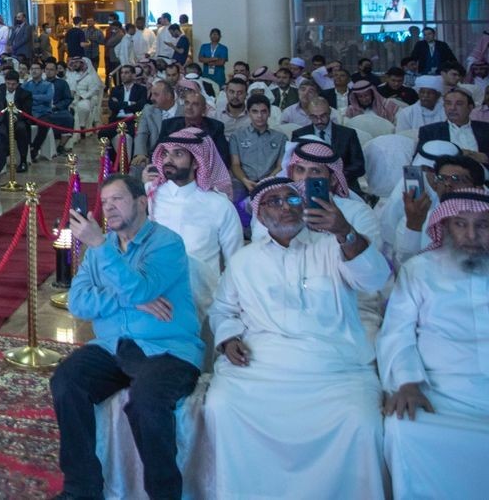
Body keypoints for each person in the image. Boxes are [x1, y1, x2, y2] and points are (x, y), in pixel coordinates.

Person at [204, 176, 391, 500]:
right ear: (260, 215)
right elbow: (222, 310)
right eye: (274, 202)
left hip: (334, 368)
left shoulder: (333, 246)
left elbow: (375, 278)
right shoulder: (244, 260)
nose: (285, 207)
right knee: (222, 405)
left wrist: (345, 231)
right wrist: (228, 339)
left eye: (292, 199)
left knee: (362, 421)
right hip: (263, 364)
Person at [52, 175, 203, 500]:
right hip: (113, 346)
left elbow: (141, 288)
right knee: (66, 380)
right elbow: (78, 302)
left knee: (147, 400)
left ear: (141, 202)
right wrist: (131, 300)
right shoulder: (101, 248)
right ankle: (82, 490)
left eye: (117, 199)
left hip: (166, 349)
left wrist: (101, 250)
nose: (109, 208)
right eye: (105, 202)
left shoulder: (166, 243)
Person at [376, 189, 489, 500]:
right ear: (445, 226)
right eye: (460, 224)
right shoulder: (419, 270)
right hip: (440, 393)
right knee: (403, 429)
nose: (471, 235)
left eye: (483, 225)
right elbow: (396, 332)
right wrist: (407, 383)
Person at [142, 128, 243, 323]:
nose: (168, 160)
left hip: (202, 302)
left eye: (178, 154)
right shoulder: (150, 196)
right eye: (166, 153)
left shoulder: (220, 205)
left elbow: (235, 262)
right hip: (154, 299)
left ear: (197, 161)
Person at [288, 97, 367, 188]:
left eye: (323, 116)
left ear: (330, 112)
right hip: (308, 184)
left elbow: (359, 166)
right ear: (308, 115)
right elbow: (294, 165)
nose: (319, 120)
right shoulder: (300, 135)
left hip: (345, 183)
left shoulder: (348, 134)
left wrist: (334, 176)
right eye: (314, 117)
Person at [227, 94, 287, 193]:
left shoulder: (281, 138)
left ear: (269, 113)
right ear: (248, 113)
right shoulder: (237, 136)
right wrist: (245, 181)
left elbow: (280, 166)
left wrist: (266, 182)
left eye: (263, 111)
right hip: (243, 183)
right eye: (255, 111)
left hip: (272, 182)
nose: (259, 116)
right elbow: (235, 164)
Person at [416, 87, 489, 155]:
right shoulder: (430, 131)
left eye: (459, 104)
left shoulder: (486, 129)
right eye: (448, 103)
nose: (452, 108)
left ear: (470, 108)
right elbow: (422, 157)